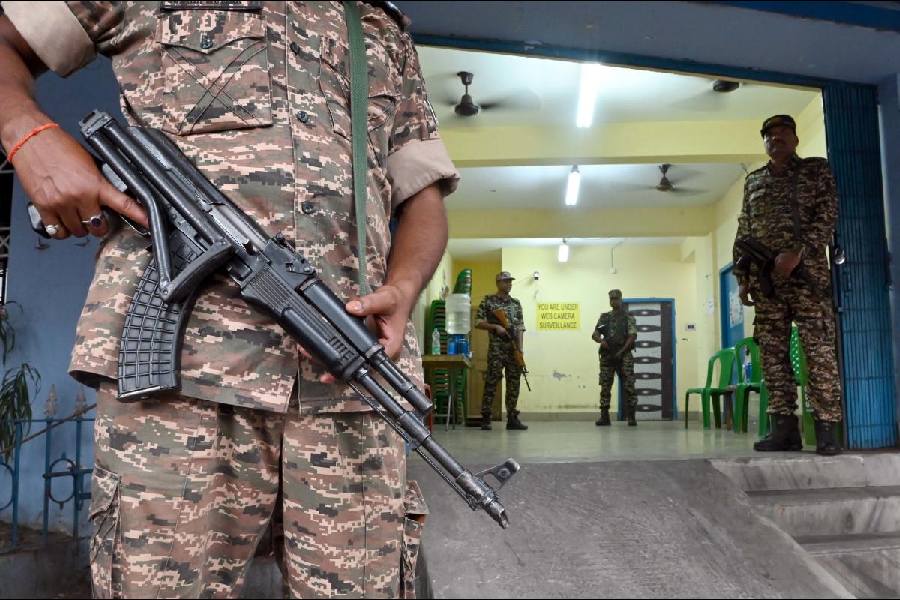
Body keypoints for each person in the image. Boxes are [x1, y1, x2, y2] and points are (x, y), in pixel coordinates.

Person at [0, 1, 458, 596]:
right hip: (181, 379)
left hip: (351, 375)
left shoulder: (376, 23)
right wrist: (29, 135)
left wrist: (404, 286)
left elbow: (423, 197)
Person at [733, 114, 842, 456]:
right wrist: (744, 279)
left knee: (819, 353)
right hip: (769, 285)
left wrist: (800, 253)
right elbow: (744, 232)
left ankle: (827, 429)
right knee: (773, 356)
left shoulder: (814, 170)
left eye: (783, 134)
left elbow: (828, 214)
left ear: (795, 139)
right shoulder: (753, 182)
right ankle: (783, 429)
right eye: (769, 135)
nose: (775, 140)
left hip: (807, 279)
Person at [474, 271, 528, 431]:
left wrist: (520, 350)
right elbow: (478, 322)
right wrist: (495, 327)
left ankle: (512, 418)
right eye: (505, 281)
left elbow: (520, 328)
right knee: (491, 381)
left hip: (513, 349)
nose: (509, 284)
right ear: (498, 283)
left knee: (514, 383)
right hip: (497, 349)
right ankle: (486, 418)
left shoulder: (516, 303)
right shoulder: (488, 301)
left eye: (510, 281)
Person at [592, 289, 637, 427]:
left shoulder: (628, 317)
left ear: (621, 299)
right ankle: (604, 417)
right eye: (611, 299)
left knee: (629, 385)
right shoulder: (604, 317)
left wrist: (622, 351)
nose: (614, 301)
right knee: (605, 386)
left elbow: (632, 336)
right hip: (607, 356)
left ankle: (631, 417)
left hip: (624, 356)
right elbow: (595, 333)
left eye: (616, 298)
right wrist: (601, 341)